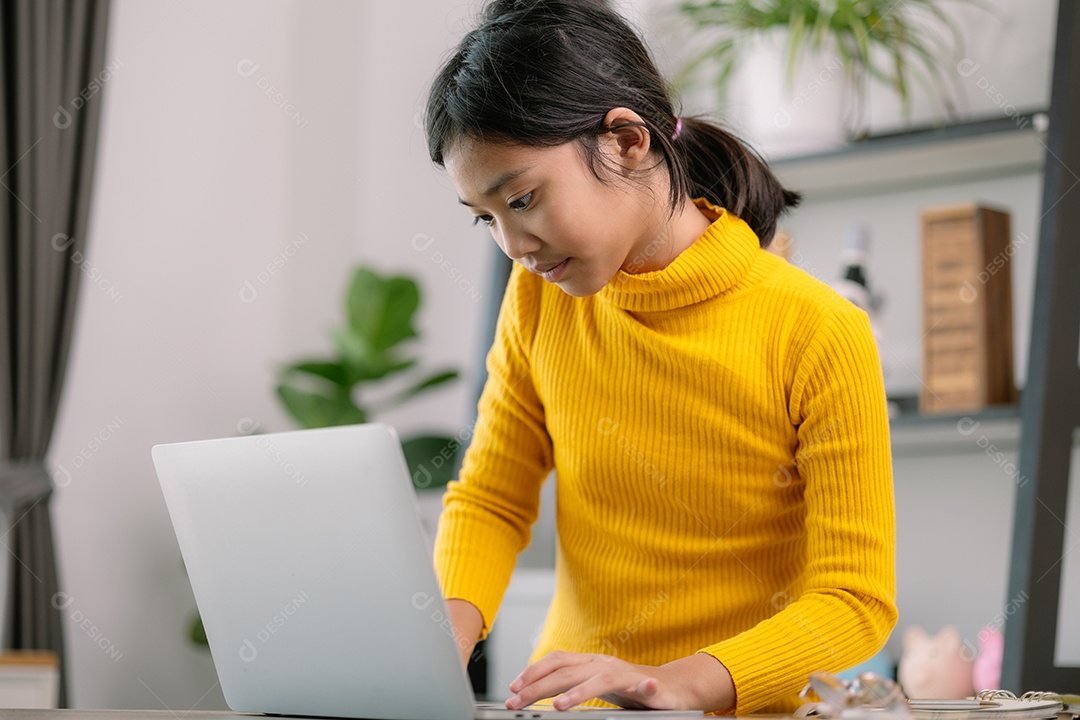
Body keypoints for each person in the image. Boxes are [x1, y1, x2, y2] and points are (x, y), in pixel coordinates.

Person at [424, 0, 897, 715]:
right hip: (573, 710)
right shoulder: (537, 301)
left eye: (522, 198)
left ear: (626, 141)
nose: (513, 246)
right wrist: (439, 647)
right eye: (486, 218)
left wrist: (681, 680)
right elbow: (491, 498)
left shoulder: (816, 328)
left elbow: (853, 599)